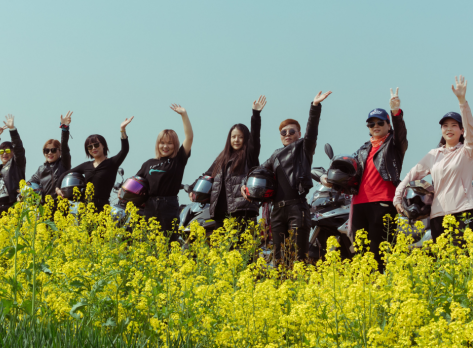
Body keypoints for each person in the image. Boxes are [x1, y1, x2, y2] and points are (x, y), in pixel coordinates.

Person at [321, 88, 407, 272]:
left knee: (380, 251)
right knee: (361, 252)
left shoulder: (394, 145)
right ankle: (365, 289)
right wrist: (328, 177)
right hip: (359, 202)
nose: (375, 126)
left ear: (388, 125)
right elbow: (348, 168)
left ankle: (381, 289)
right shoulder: (363, 149)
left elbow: (400, 134)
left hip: (382, 202)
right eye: (371, 124)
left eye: (380, 122)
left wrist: (396, 112)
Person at [243, 91, 332, 266]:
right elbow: (256, 171)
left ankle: (297, 290)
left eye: (292, 131)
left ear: (299, 134)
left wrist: (314, 106)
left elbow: (312, 130)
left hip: (297, 208)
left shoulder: (304, 148)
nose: (287, 134)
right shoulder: (275, 156)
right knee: (279, 259)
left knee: (297, 257)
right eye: (283, 131)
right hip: (277, 211)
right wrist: (243, 185)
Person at [394, 76, 473, 243]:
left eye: (454, 125)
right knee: (443, 262)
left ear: (461, 130)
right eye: (445, 126)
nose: (449, 129)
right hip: (438, 214)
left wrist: (462, 101)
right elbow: (411, 175)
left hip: (463, 211)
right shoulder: (434, 154)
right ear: (441, 130)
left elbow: (471, 130)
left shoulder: (468, 151)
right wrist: (397, 198)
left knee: (465, 262)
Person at [191, 96, 267, 235]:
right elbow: (208, 175)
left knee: (242, 251)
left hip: (242, 210)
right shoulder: (222, 157)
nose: (236, 140)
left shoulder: (249, 155)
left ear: (245, 139)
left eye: (240, 137)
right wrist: (193, 188)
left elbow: (255, 138)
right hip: (220, 212)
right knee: (223, 253)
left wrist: (256, 115)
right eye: (233, 137)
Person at [136, 104, 193, 241]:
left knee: (169, 242)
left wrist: (184, 115)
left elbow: (189, 137)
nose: (165, 146)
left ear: (175, 145)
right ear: (157, 144)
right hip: (149, 206)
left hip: (169, 205)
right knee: (150, 243)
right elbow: (136, 182)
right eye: (162, 143)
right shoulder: (148, 163)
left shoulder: (178, 160)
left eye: (169, 143)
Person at [56, 116, 134, 211]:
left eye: (96, 145)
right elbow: (65, 173)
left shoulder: (112, 163)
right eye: (89, 147)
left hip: (102, 208)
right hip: (86, 208)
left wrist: (122, 130)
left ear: (103, 145)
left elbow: (124, 150)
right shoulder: (86, 165)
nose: (93, 148)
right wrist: (57, 188)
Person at [0, 114, 27, 216]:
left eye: (8, 150)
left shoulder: (17, 164)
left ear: (13, 152)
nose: (4, 153)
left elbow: (19, 149)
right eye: (1, 151)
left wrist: (12, 130)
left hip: (12, 205)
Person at [29, 111, 73, 203]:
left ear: (59, 152)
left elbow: (65, 147)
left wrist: (64, 129)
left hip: (61, 203)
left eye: (53, 150)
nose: (49, 153)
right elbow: (30, 182)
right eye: (46, 150)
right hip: (46, 207)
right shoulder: (41, 169)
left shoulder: (63, 164)